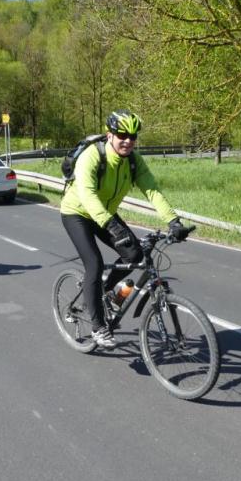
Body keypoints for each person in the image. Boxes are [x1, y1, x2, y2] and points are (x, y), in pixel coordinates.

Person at [60, 110, 191, 349]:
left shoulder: (133, 160)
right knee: (94, 264)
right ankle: (98, 328)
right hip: (77, 213)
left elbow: (152, 190)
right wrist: (109, 223)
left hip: (105, 213)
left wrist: (173, 221)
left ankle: (104, 292)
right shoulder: (92, 155)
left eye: (133, 136)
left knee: (136, 254)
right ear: (109, 134)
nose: (128, 141)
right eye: (122, 135)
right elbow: (87, 194)